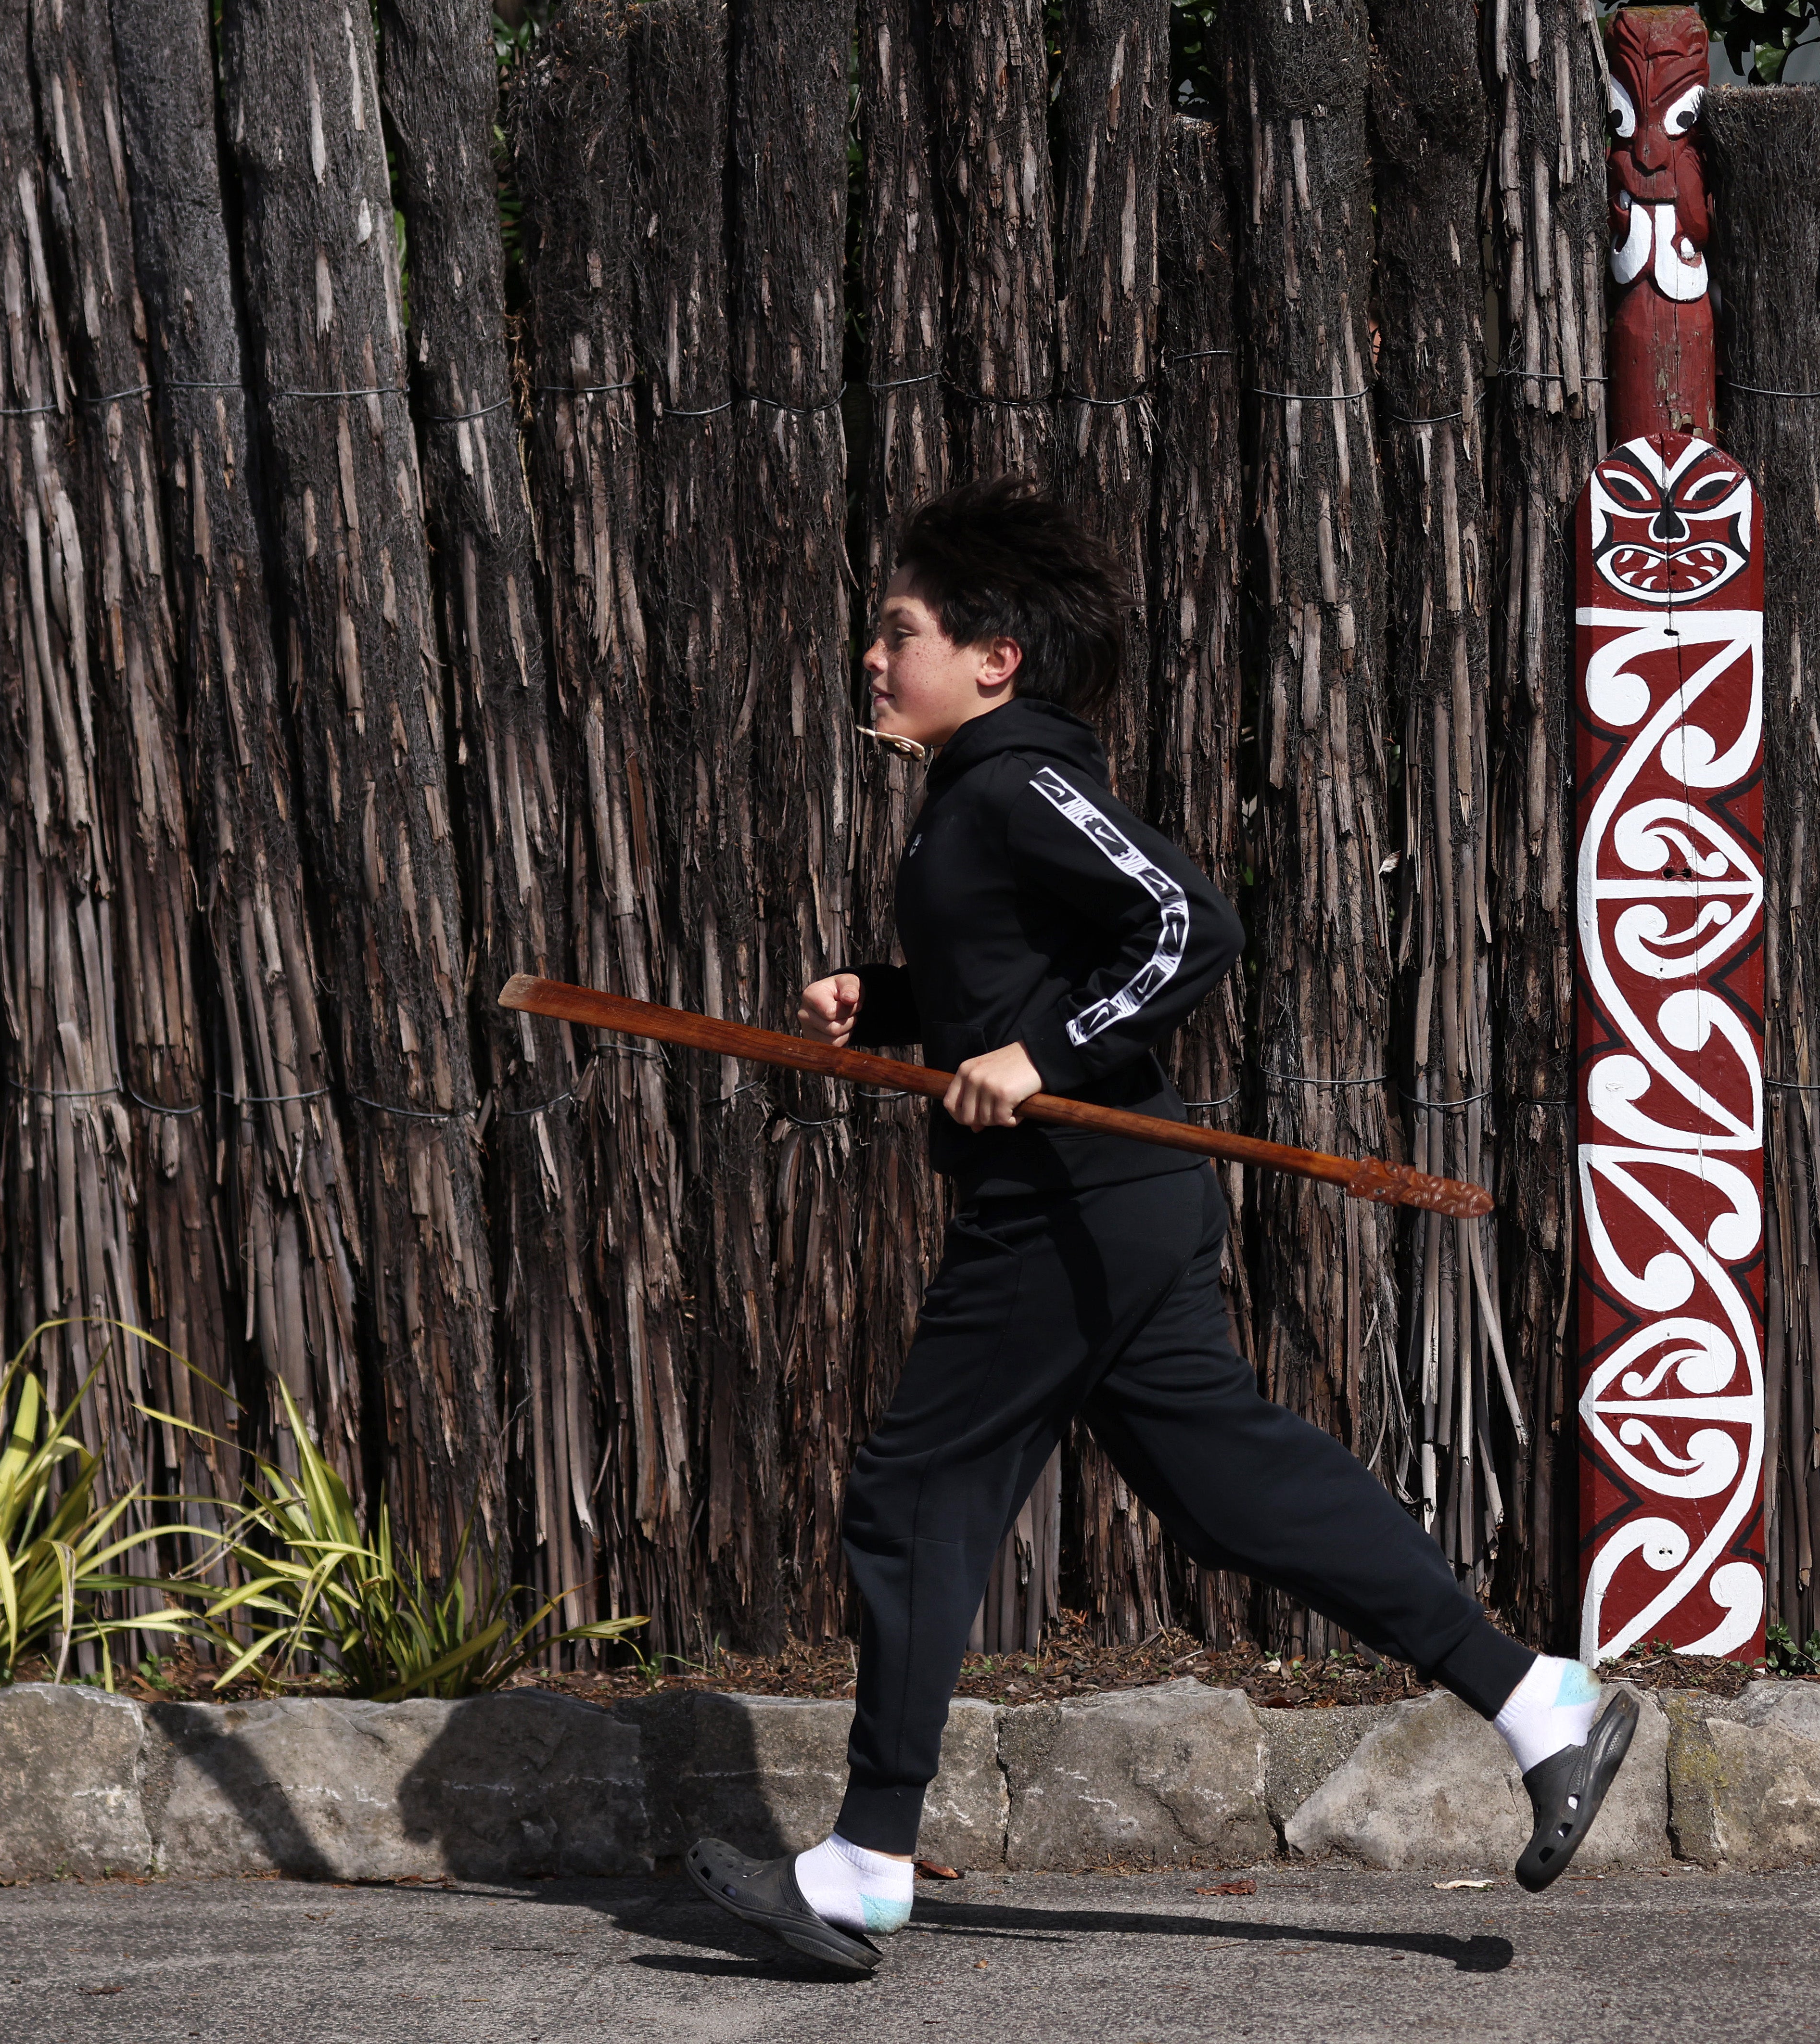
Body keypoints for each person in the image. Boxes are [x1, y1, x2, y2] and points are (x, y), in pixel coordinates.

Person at [683, 477, 1636, 1975]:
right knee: (1229, 1493)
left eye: (901, 632)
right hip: (1084, 1208)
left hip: (1073, 1209)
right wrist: (904, 1002)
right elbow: (1029, 975)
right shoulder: (968, 802)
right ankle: (1536, 1703)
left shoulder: (1012, 781)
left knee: (914, 1494)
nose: (874, 659)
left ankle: (862, 1868)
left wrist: (1044, 1060)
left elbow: (1187, 920)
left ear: (995, 656)